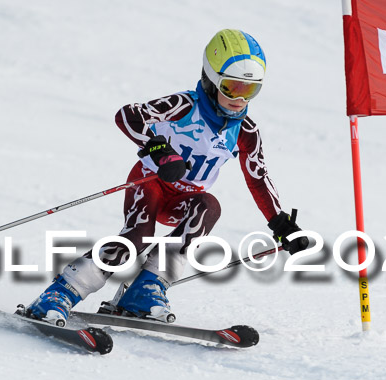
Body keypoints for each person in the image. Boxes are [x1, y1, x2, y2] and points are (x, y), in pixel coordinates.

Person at [23, 29, 309, 326]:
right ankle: (60, 293)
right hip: (150, 183)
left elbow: (257, 177)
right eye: (231, 88)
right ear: (211, 80)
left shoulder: (246, 131)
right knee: (136, 238)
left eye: (250, 90)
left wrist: (281, 224)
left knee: (208, 207)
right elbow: (128, 116)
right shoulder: (185, 105)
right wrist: (160, 151)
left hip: (184, 200)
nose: (239, 98)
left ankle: (144, 290)